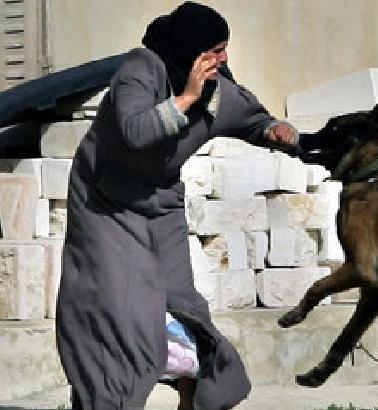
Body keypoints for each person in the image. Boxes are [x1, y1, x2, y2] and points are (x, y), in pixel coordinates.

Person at [55, 3, 299, 409]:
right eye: (215, 50)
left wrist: (274, 128)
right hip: (105, 203)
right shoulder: (140, 69)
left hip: (160, 203)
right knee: (118, 311)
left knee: (182, 304)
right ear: (190, 49)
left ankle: (197, 399)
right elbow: (135, 131)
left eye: (224, 49)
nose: (222, 59)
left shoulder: (217, 91)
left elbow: (251, 117)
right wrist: (187, 98)